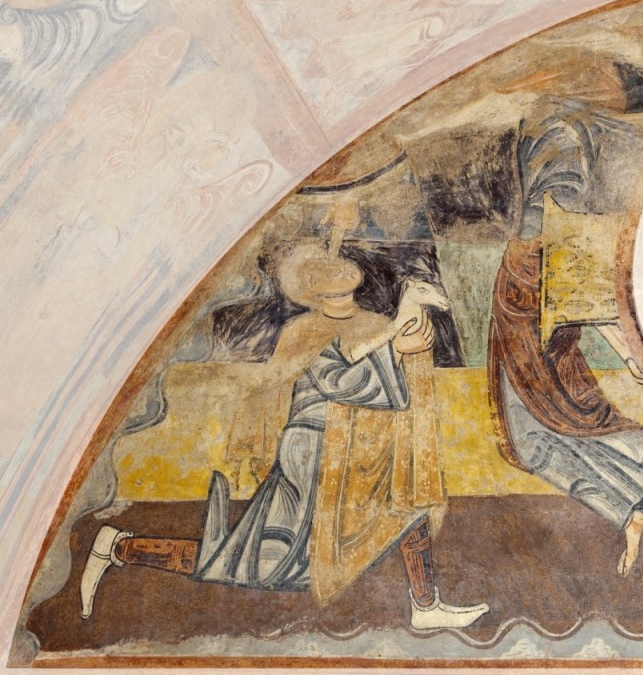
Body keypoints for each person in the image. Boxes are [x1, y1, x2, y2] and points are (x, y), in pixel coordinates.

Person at [81, 241, 489, 629]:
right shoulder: (303, 330)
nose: (337, 271)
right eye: (321, 270)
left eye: (336, 265)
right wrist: (396, 345)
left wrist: (406, 344)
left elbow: (395, 386)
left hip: (364, 448)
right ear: (311, 288)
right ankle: (120, 547)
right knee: (256, 563)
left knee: (408, 507)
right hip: (314, 450)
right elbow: (334, 380)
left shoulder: (376, 323)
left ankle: (425, 605)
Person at [488, 103, 643, 577]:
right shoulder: (535, 229)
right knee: (529, 446)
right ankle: (626, 508)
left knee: (585, 426)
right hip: (513, 344)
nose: (550, 185)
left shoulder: (574, 233)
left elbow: (596, 302)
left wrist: (637, 361)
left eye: (561, 174)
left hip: (544, 351)